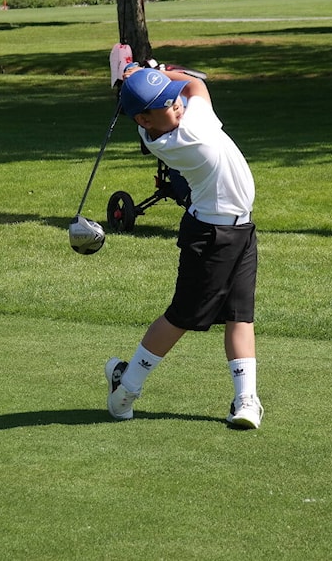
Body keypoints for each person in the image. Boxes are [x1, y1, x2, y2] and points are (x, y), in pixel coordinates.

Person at [105, 66, 262, 429]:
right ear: (145, 118)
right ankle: (125, 390)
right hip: (211, 237)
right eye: (165, 103)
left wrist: (149, 76)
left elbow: (183, 93)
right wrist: (162, 70)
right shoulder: (191, 131)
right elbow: (196, 84)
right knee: (181, 317)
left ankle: (246, 400)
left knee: (241, 314)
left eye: (172, 97)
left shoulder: (157, 130)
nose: (175, 103)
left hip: (239, 229)